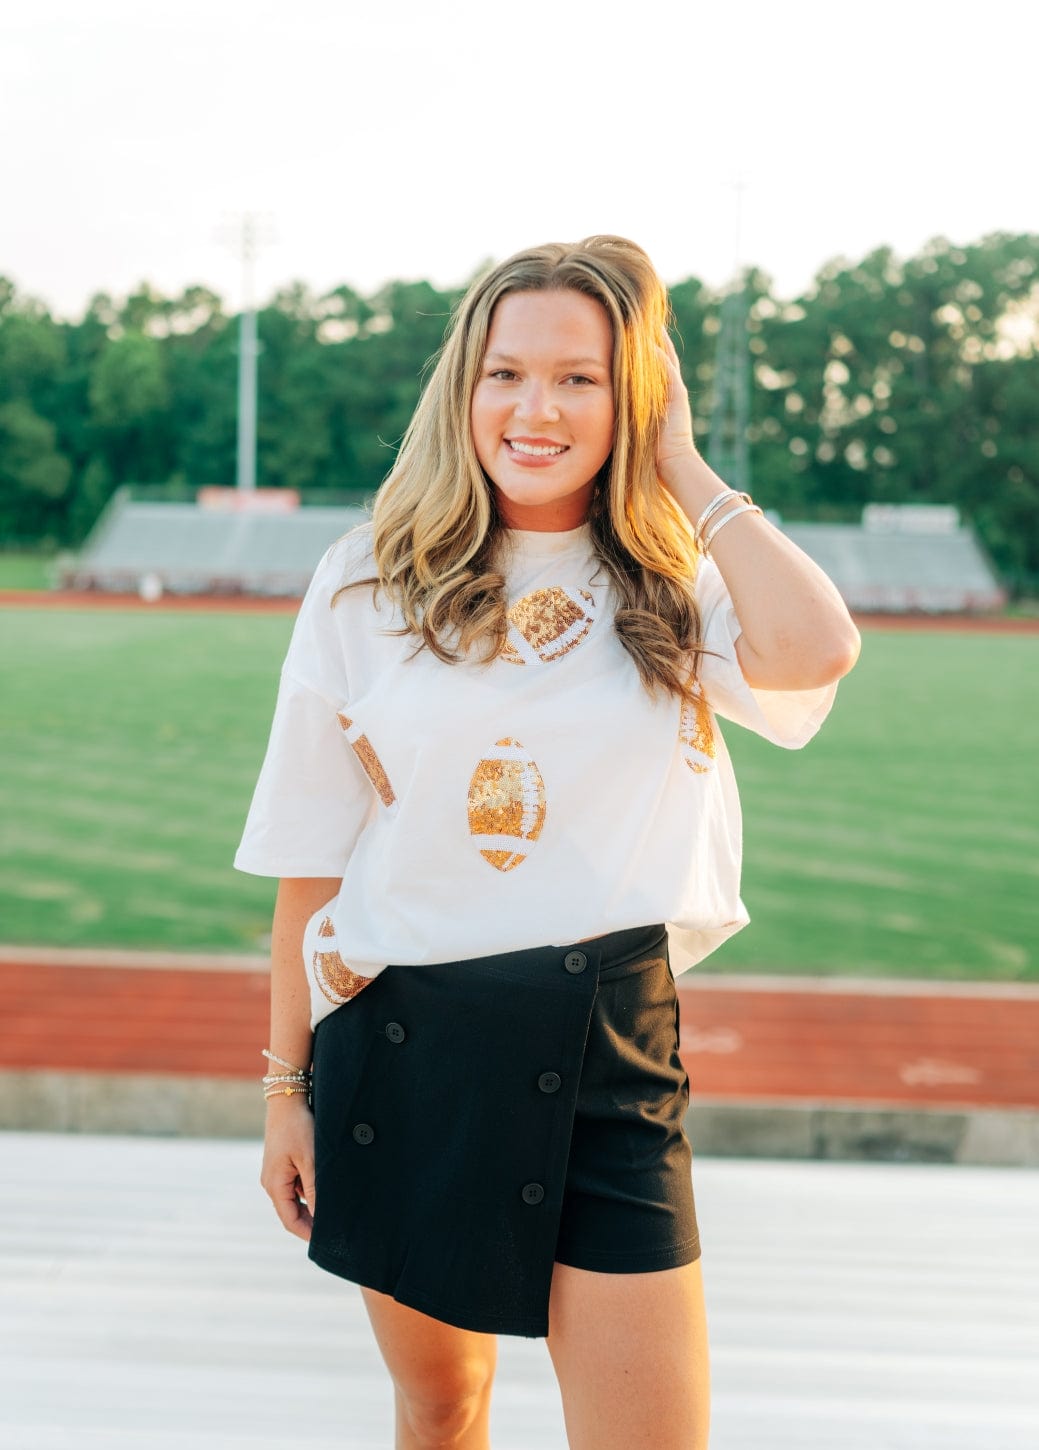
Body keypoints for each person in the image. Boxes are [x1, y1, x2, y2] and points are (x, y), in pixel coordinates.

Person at [234, 235, 860, 1450]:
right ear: (462, 386)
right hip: (403, 1038)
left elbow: (817, 647)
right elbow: (312, 856)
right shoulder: (366, 582)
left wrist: (682, 464)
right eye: (505, 372)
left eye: (580, 378)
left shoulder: (672, 583)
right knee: (441, 1407)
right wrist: (282, 1091)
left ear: (629, 399)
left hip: (607, 1050)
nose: (536, 408)